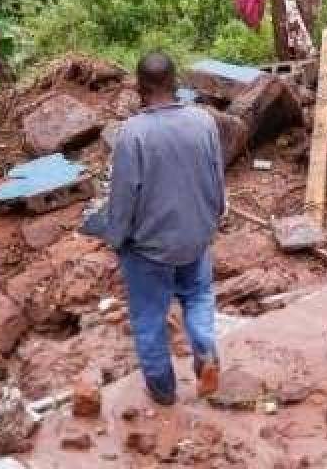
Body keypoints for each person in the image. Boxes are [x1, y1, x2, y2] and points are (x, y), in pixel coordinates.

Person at [83, 52, 226, 405]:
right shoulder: (203, 122)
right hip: (195, 236)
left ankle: (163, 391)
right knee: (198, 296)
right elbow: (217, 179)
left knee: (149, 318)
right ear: (175, 83)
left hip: (151, 248)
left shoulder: (133, 133)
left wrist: (115, 239)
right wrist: (210, 220)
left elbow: (123, 197)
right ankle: (206, 355)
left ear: (139, 88)